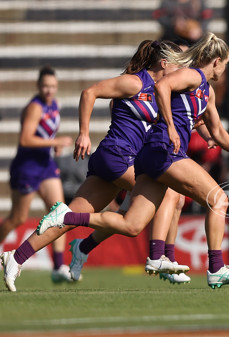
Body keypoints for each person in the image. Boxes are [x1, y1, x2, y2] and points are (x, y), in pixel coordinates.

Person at [33, 33, 229, 290]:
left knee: (132, 223)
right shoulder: (194, 76)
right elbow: (161, 87)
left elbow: (217, 130)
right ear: (217, 61)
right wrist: (174, 128)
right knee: (218, 199)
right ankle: (212, 266)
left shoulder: (206, 92)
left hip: (151, 154)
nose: (225, 70)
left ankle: (72, 220)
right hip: (162, 149)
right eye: (226, 64)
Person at [0, 40, 192, 292]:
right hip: (116, 156)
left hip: (118, 161)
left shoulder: (162, 93)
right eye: (179, 65)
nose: (182, 72)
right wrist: (84, 133)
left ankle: (16, 257)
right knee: (168, 193)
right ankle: (161, 257)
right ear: (164, 63)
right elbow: (89, 92)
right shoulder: (135, 82)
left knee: (70, 219)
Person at [0, 66, 73, 285]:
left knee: (60, 212)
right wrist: (56, 142)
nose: (49, 90)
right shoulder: (34, 107)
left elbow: (47, 132)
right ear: (38, 86)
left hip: (46, 165)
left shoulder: (55, 105)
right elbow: (26, 139)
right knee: (18, 218)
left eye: (52, 86)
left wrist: (55, 146)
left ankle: (59, 266)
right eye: (45, 86)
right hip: (27, 168)